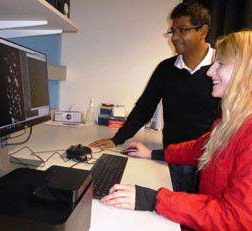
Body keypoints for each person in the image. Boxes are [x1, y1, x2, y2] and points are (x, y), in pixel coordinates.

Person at [101, 30, 252, 231]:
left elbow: (237, 218)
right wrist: (153, 153)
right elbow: (199, 148)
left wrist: (154, 199)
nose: (209, 72)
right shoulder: (231, 124)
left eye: (221, 64)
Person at [90, 2, 220, 193]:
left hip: (209, 160)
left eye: (183, 30)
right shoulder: (166, 69)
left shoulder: (222, 68)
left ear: (203, 30)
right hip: (171, 157)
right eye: (173, 31)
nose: (175, 37)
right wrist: (118, 139)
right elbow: (145, 107)